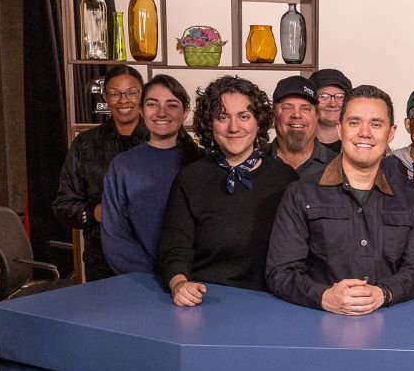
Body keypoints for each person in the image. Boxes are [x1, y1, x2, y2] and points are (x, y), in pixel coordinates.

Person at [267, 86, 414, 313]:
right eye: (354, 122)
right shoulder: (300, 193)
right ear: (340, 129)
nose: (365, 132)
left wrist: (383, 293)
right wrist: (323, 296)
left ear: (391, 133)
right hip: (316, 323)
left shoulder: (408, 200)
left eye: (376, 124)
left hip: (390, 326)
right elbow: (281, 271)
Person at [156, 76, 297, 305]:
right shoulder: (191, 178)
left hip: (270, 302)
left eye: (244, 116)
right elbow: (174, 250)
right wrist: (179, 285)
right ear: (209, 123)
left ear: (258, 122)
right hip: (204, 299)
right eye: (222, 117)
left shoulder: (285, 179)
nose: (234, 127)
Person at [100, 75, 203, 275]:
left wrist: (182, 278)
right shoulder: (122, 166)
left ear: (185, 112)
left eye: (172, 105)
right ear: (141, 110)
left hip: (196, 282)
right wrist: (157, 279)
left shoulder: (203, 164)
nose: (161, 113)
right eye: (152, 104)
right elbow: (115, 238)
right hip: (141, 283)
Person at [54, 64, 147, 281]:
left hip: (153, 259)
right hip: (102, 261)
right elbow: (63, 205)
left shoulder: (161, 141)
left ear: (142, 94)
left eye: (131, 92)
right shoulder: (85, 144)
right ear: (105, 97)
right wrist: (96, 212)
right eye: (115, 93)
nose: (123, 100)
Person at [267, 75, 335, 177]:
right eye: (287, 107)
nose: (297, 115)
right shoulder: (254, 161)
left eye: (306, 108)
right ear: (274, 115)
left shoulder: (337, 164)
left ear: (317, 115)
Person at [310, 68, 351, 153]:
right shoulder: (298, 144)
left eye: (340, 96)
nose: (332, 104)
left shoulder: (362, 144)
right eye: (323, 96)